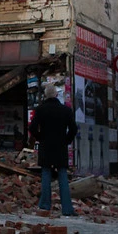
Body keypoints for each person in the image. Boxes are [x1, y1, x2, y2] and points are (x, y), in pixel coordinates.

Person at [29, 85, 78, 216]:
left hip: (46, 146)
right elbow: (73, 129)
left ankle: (45, 206)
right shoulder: (66, 110)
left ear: (45, 95)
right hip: (60, 147)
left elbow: (32, 128)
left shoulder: (40, 110)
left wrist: (40, 138)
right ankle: (67, 208)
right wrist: (66, 140)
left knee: (46, 174)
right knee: (62, 175)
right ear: (56, 95)